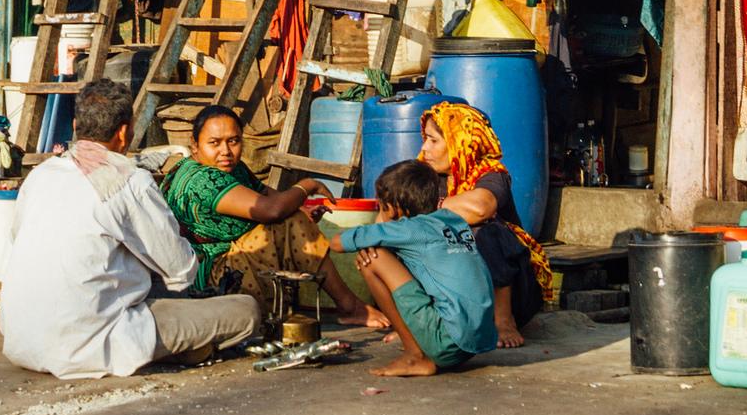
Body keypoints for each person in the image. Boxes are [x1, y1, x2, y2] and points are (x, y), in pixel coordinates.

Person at [0, 79, 260, 380]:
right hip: (88, 344)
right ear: (124, 132)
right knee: (246, 310)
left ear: (75, 125)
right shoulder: (129, 180)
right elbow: (182, 271)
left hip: (21, 340)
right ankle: (186, 348)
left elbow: (19, 242)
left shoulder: (40, 175)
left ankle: (186, 346)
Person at [159, 105, 382, 326]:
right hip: (209, 276)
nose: (225, 151)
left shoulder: (230, 168)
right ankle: (350, 307)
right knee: (292, 220)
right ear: (195, 145)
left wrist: (299, 209)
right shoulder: (203, 180)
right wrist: (307, 185)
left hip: (228, 258)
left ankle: (348, 306)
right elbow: (271, 210)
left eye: (233, 141)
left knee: (295, 217)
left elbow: (272, 197)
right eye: (214, 143)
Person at [340, 158, 497, 378]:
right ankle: (422, 345)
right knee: (399, 256)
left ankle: (415, 356)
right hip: (479, 340)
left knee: (374, 258)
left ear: (393, 208)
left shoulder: (409, 228)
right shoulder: (452, 220)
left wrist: (377, 227)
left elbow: (337, 243)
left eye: (380, 205)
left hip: (448, 342)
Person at [419, 102, 550, 348]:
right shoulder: (427, 176)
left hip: (516, 286)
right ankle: (419, 319)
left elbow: (480, 208)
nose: (425, 148)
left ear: (460, 142)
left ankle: (503, 319)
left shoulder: (491, 174)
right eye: (426, 139)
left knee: (482, 230)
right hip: (460, 287)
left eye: (434, 141)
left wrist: (428, 206)